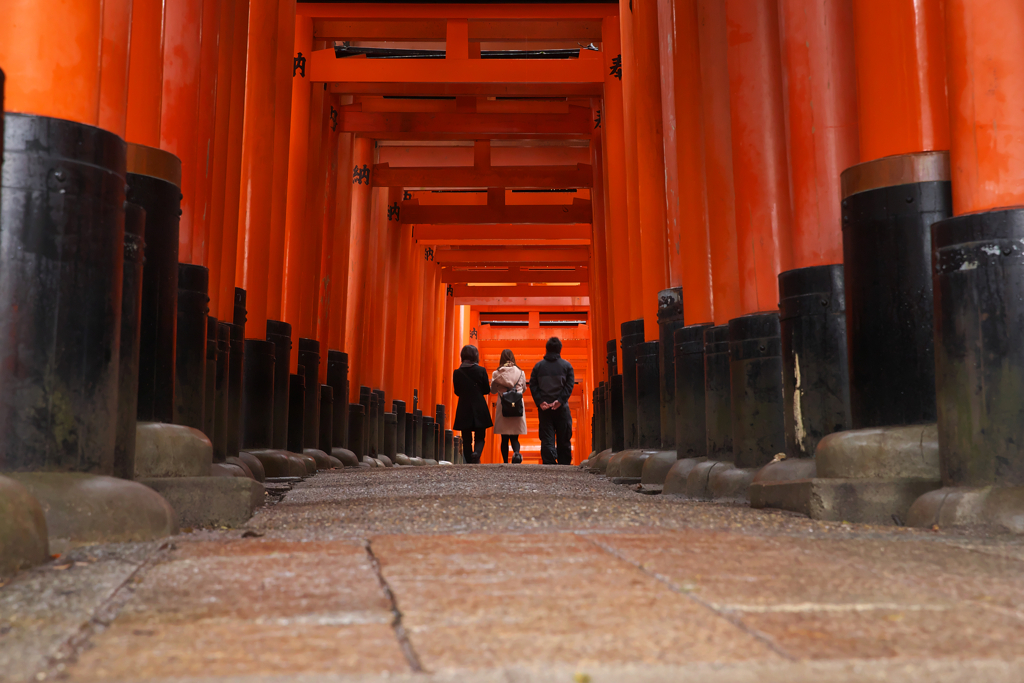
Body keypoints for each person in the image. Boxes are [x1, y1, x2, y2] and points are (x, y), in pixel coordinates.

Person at [529, 337, 575, 465]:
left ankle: (549, 463)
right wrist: (560, 400)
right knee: (564, 438)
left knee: (546, 438)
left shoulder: (538, 367)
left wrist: (540, 401)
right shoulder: (567, 366)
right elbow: (569, 385)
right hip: (561, 408)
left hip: (545, 408)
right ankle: (564, 465)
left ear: (547, 349)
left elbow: (533, 385)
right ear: (560, 349)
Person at [452, 344, 492, 464]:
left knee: (466, 437)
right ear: (476, 356)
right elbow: (486, 390)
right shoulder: (481, 370)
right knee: (480, 436)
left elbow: (457, 391)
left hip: (464, 406)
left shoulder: (457, 372)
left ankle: (469, 460)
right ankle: (477, 454)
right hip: (479, 406)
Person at [490, 349, 527, 464]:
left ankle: (505, 461)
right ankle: (516, 453)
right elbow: (524, 389)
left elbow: (493, 390)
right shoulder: (520, 372)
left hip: (503, 406)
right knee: (515, 437)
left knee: (504, 437)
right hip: (517, 405)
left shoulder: (496, 373)